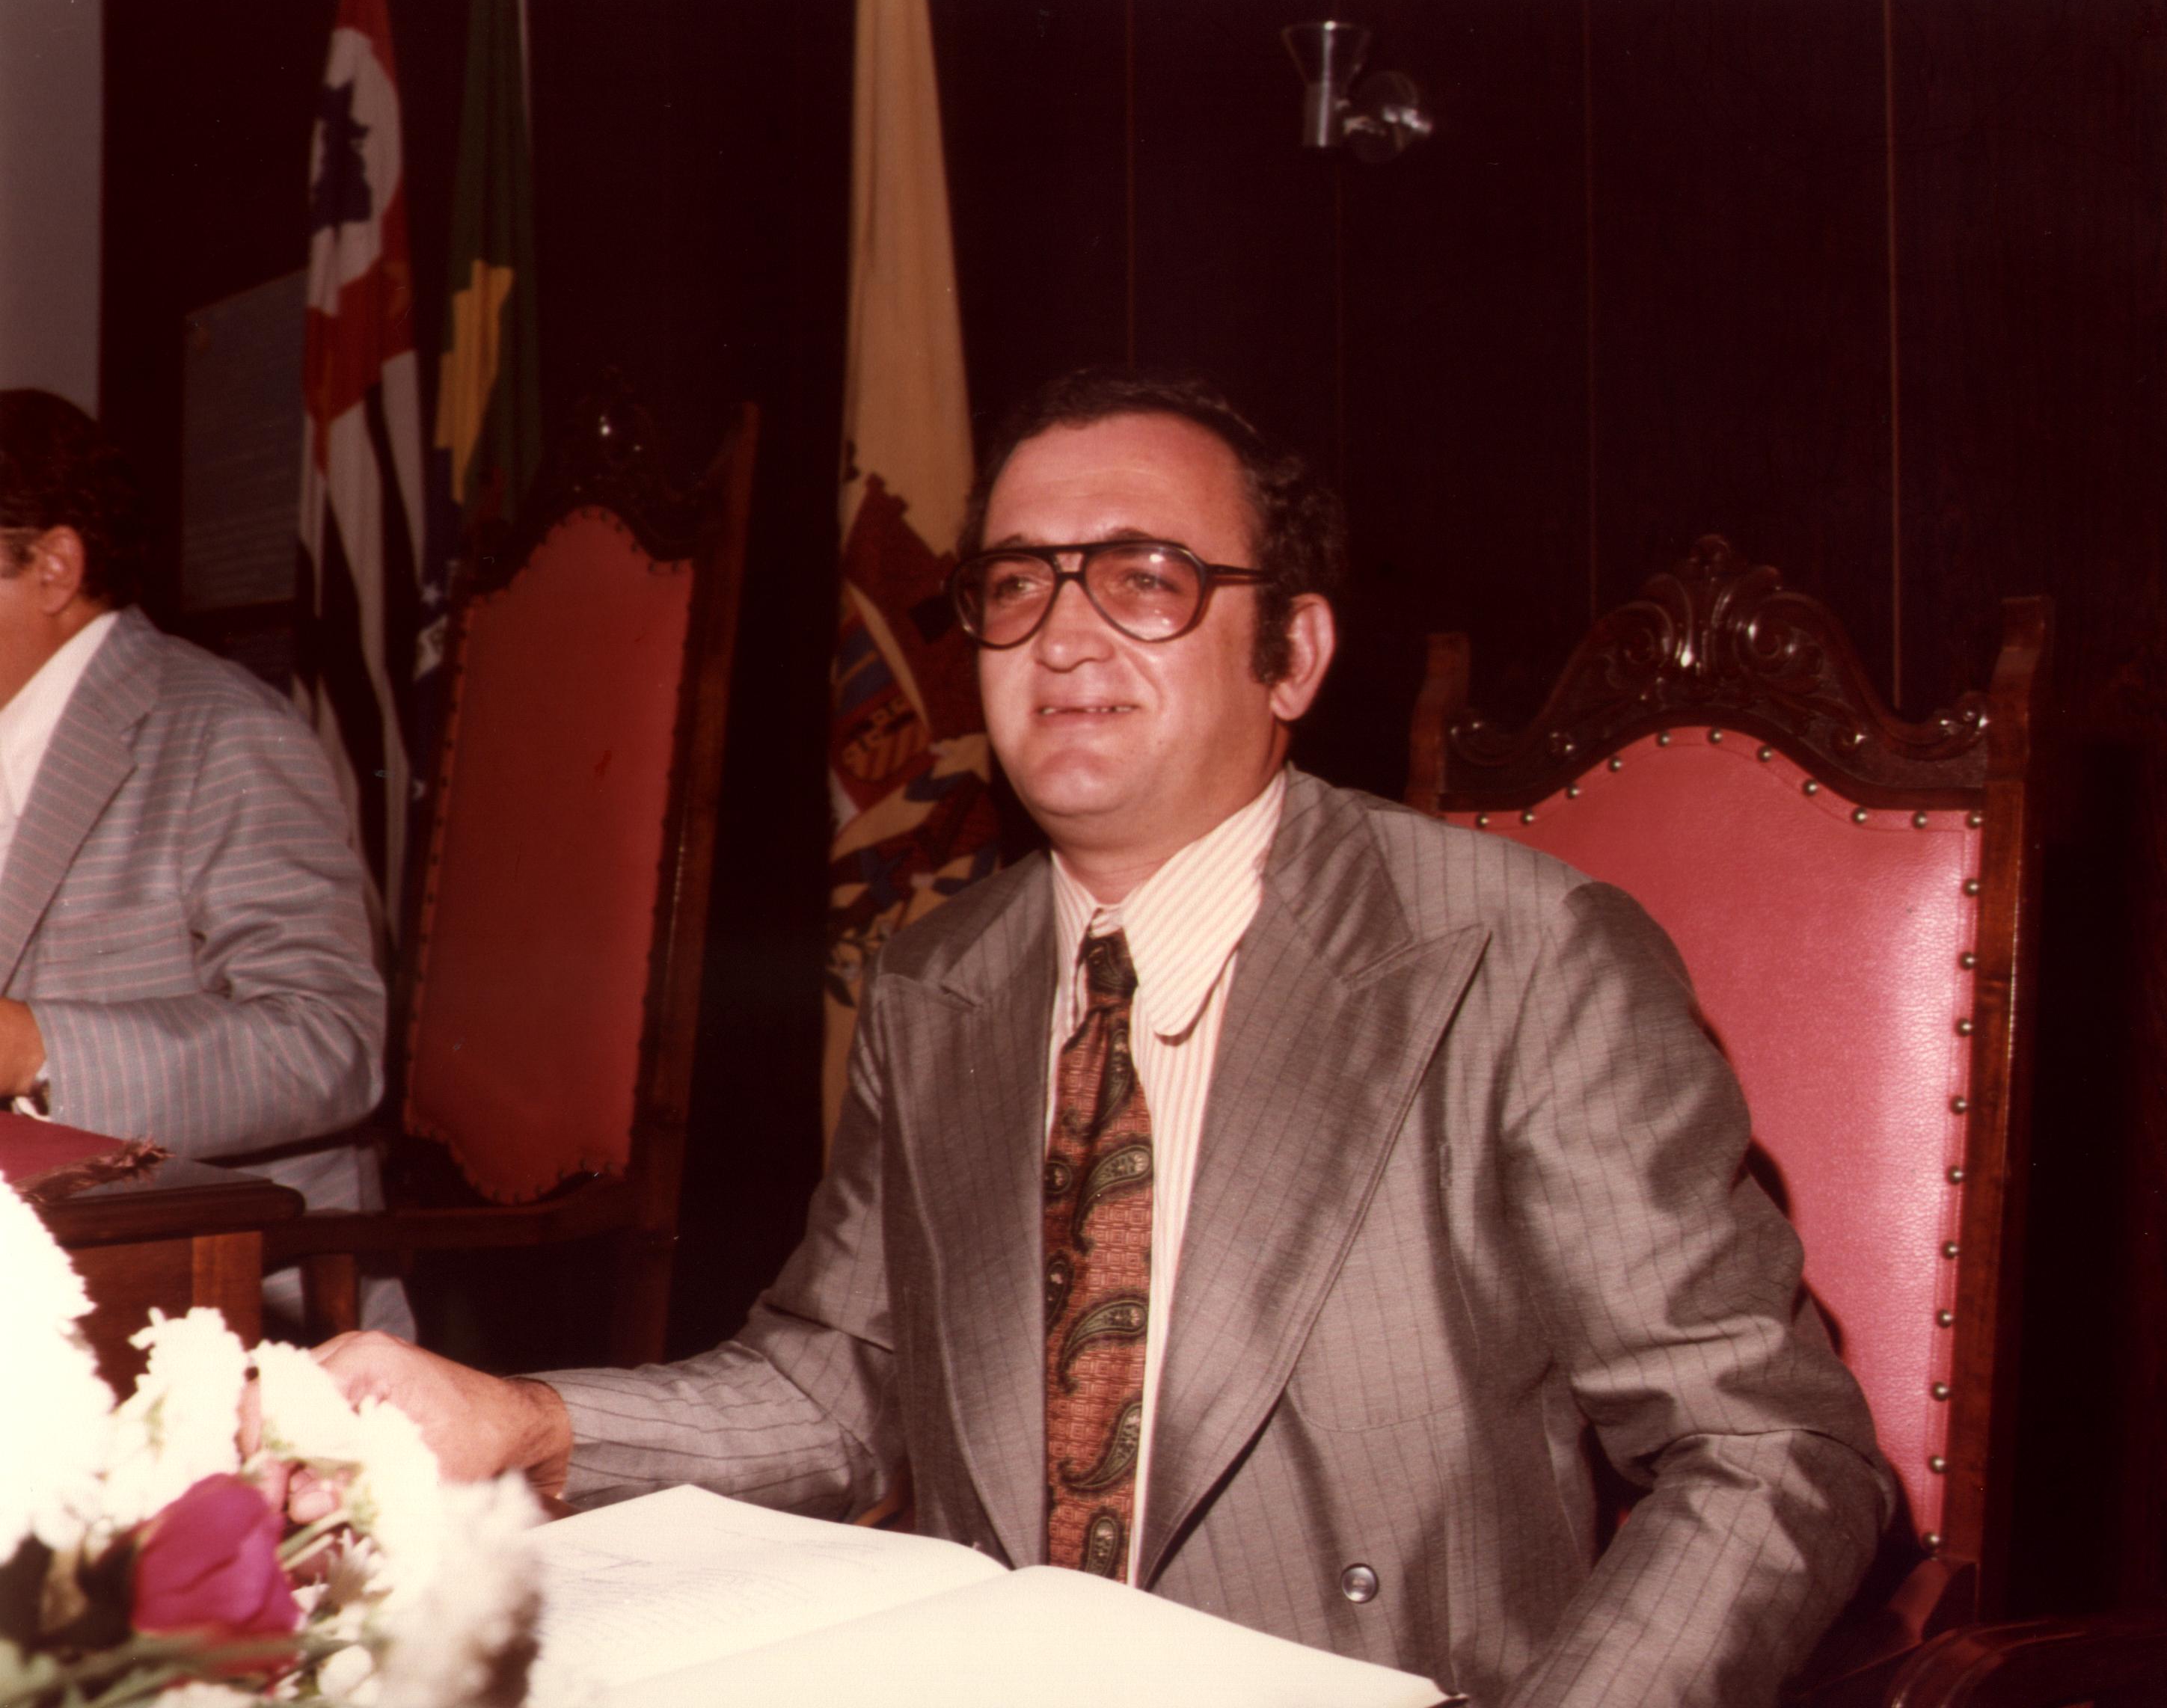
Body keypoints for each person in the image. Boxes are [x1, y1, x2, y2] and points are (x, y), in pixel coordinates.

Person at [317, 369, 1890, 1704]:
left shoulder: (1517, 954)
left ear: (1293, 654)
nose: (1060, 639)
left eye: (1143, 579)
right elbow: (843, 1381)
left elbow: (1767, 1448)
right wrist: (526, 1421)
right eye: (1015, 585)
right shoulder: (938, 981)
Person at [0, 390, 403, 1336]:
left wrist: (33, 1051)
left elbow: (330, 1041)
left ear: (53, 567)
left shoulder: (222, 731)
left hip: (216, 1297)